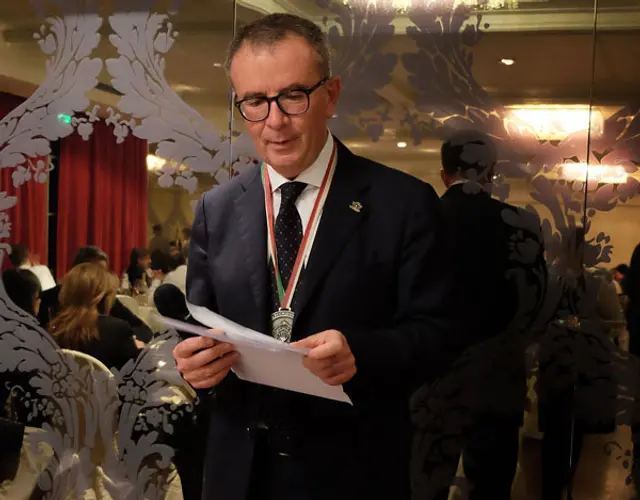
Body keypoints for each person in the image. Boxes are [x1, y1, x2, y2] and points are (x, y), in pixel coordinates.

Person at [172, 13, 454, 500]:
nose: (274, 121)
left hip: (352, 472)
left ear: (331, 94)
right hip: (237, 473)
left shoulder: (403, 203)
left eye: (293, 96)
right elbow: (202, 324)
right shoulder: (216, 209)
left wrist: (360, 352)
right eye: (255, 102)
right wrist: (197, 367)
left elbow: (439, 334)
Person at [414, 131, 547, 500]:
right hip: (497, 370)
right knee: (491, 484)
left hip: (435, 369)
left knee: (427, 481)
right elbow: (535, 299)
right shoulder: (520, 222)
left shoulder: (423, 219)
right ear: (492, 173)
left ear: (445, 175)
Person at [38, 246, 153, 342]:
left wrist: (125, 339)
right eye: (96, 271)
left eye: (104, 272)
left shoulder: (105, 298)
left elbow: (143, 329)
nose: (102, 277)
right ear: (78, 270)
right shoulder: (49, 298)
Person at [49, 263, 143, 370]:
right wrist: (139, 351)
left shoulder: (55, 328)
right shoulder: (117, 329)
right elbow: (134, 373)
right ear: (103, 297)